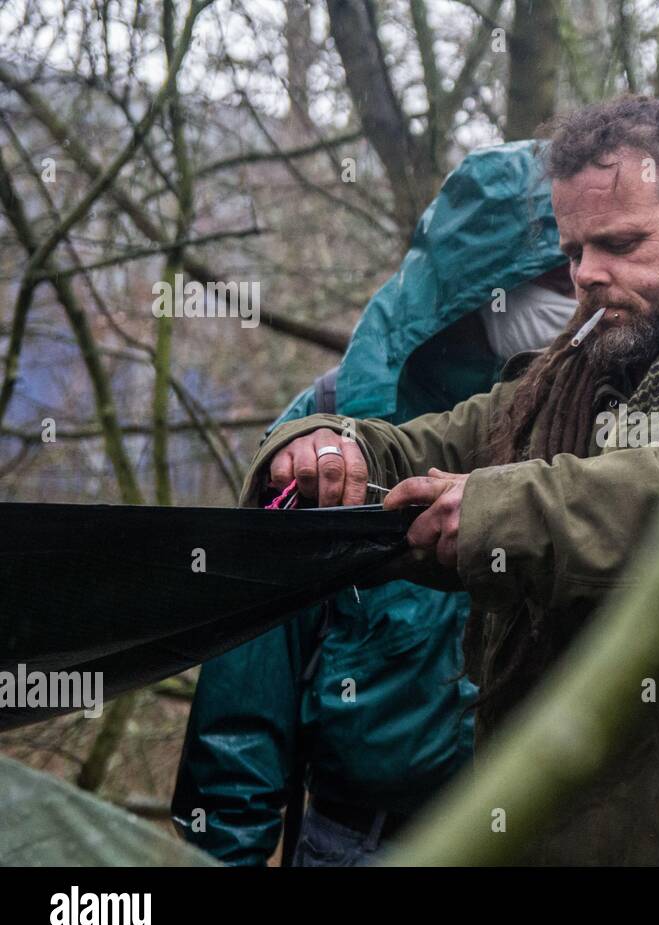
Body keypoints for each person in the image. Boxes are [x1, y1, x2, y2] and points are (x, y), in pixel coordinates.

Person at [239, 97, 659, 865]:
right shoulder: (564, 383)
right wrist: (319, 443)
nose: (589, 276)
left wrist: (502, 514)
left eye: (622, 244)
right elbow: (422, 442)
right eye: (575, 252)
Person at [170, 142, 574, 866]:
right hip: (361, 841)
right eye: (556, 273)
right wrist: (220, 857)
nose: (578, 294)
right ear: (486, 283)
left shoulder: (593, 422)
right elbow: (247, 695)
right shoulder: (328, 432)